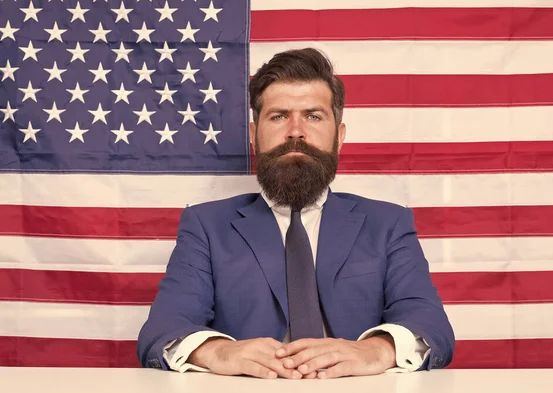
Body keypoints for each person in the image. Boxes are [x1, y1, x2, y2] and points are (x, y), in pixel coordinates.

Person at [137, 48, 455, 379]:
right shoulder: (206, 226)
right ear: (253, 136)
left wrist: (375, 350)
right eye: (278, 116)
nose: (295, 131)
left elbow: (432, 327)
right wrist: (218, 351)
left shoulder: (388, 225)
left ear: (340, 137)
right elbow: (162, 330)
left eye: (314, 116)